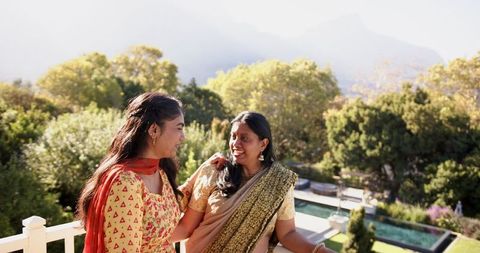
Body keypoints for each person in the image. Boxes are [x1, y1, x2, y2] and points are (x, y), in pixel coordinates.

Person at [172, 111, 334, 253]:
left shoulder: (280, 182)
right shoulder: (215, 171)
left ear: (263, 144)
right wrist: (149, 239)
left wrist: (319, 251)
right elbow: (187, 226)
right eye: (233, 136)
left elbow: (287, 234)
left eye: (244, 138)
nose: (235, 143)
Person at [77, 92, 193, 253]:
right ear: (154, 130)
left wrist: (209, 170)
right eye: (179, 128)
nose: (183, 137)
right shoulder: (125, 182)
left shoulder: (160, 172)